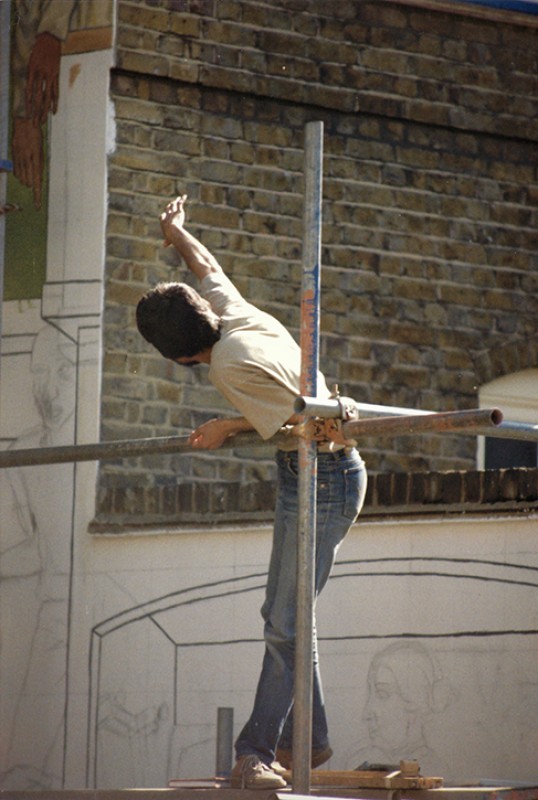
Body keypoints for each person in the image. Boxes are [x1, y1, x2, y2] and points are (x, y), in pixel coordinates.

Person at [136, 195, 368, 789]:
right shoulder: (236, 315)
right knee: (285, 616)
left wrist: (225, 425)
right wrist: (177, 234)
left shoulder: (227, 366)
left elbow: (296, 416)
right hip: (312, 472)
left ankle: (256, 749)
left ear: (181, 355)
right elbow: (208, 270)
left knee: (285, 624)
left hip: (326, 474)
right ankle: (308, 739)